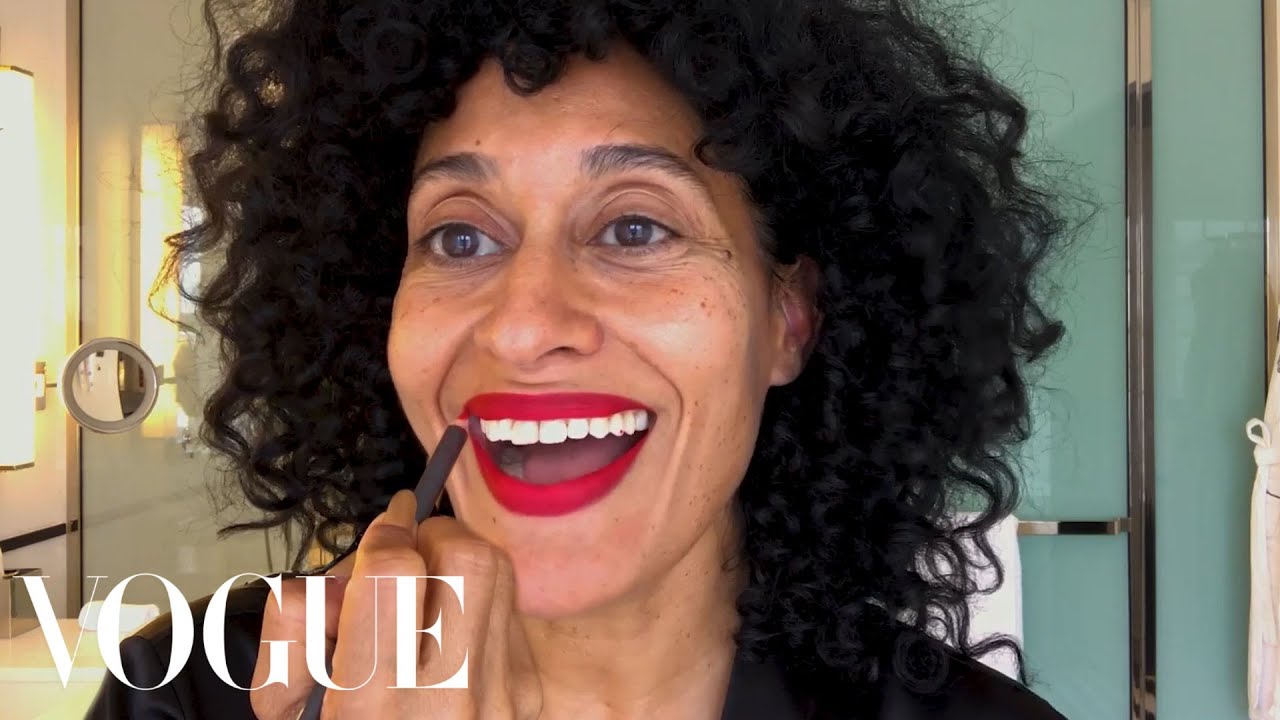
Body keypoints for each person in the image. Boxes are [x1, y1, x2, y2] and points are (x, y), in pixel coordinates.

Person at [87, 0, 1076, 717]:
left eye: (636, 227)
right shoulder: (182, 695)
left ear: (789, 319)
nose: (523, 327)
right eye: (459, 237)